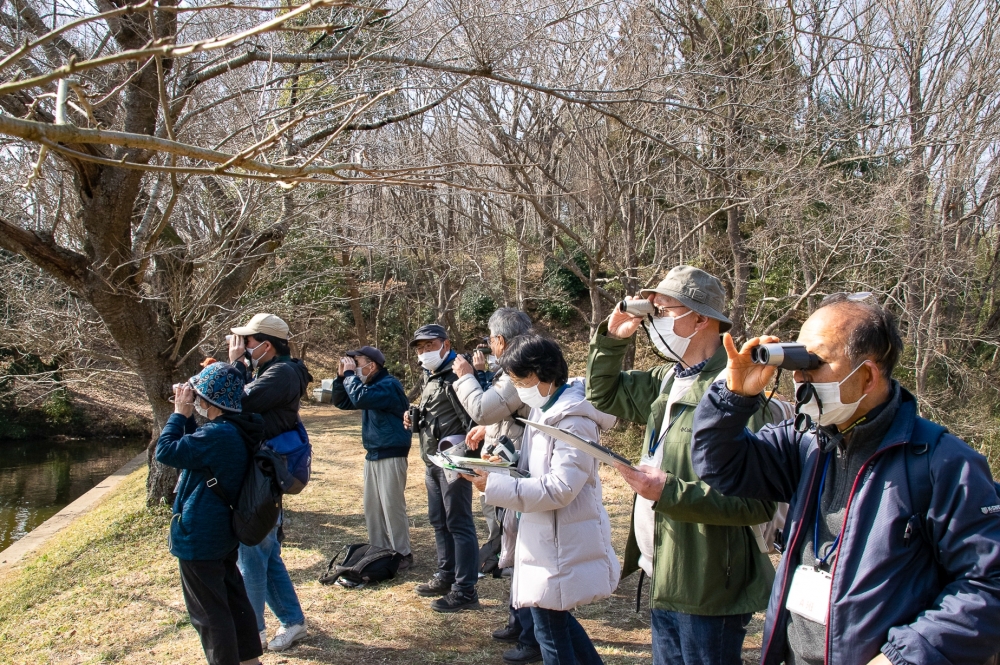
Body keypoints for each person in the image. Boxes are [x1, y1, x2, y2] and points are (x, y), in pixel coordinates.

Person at [690, 293, 1000, 665]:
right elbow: (719, 465)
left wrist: (904, 656)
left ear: (867, 375)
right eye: (797, 361)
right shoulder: (806, 442)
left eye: (813, 363)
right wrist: (733, 396)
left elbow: (987, 583)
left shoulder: (943, 463)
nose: (799, 376)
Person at [585, 265, 776, 665]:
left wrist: (667, 491)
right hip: (664, 572)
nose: (654, 323)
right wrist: (611, 340)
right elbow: (603, 394)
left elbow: (757, 503)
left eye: (664, 312)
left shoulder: (738, 389)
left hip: (708, 582)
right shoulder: (668, 380)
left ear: (701, 318)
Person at [463, 334, 619, 665]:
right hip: (545, 535)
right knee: (555, 621)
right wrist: (502, 463)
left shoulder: (572, 418)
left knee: (550, 630)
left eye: (519, 381)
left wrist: (495, 487)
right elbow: (537, 466)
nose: (518, 389)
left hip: (561, 538)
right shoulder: (544, 407)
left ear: (539, 374)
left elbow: (561, 487)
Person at [155, 363, 264, 665]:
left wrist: (179, 413)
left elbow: (166, 451)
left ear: (208, 400)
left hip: (201, 536)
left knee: (210, 615)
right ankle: (249, 660)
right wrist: (187, 416)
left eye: (198, 394)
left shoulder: (219, 436)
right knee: (232, 603)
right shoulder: (234, 429)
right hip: (221, 533)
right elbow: (193, 451)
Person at [453, 308, 541, 665]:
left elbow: (484, 408)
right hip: (510, 465)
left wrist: (465, 376)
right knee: (512, 547)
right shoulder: (525, 361)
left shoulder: (521, 364)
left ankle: (531, 635)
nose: (488, 345)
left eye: (490, 339)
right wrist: (487, 430)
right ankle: (519, 621)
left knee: (524, 551)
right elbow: (502, 416)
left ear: (500, 340)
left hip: (522, 472)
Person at [228, 313, 312, 652]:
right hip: (259, 472)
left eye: (248, 341)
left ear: (267, 344)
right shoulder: (270, 371)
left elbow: (235, 403)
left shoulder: (281, 373)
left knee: (251, 554)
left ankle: (253, 633)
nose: (243, 346)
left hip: (261, 476)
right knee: (265, 552)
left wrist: (235, 366)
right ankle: (293, 622)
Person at [402, 323, 480, 612]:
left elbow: (475, 418)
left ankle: (465, 589)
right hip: (431, 460)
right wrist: (414, 417)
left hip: (454, 461)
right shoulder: (430, 376)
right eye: (420, 348)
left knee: (459, 522)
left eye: (429, 346)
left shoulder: (458, 376)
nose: (424, 352)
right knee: (439, 520)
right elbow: (437, 414)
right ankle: (446, 575)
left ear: (445, 345)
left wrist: (467, 460)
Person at [330, 345, 414, 570]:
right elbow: (343, 401)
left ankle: (402, 553)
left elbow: (358, 399)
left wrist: (349, 376)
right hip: (374, 453)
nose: (354, 368)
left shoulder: (388, 385)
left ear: (372, 365)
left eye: (357, 363)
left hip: (391, 451)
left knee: (391, 505)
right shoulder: (367, 385)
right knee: (373, 507)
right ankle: (379, 551)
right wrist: (342, 378)